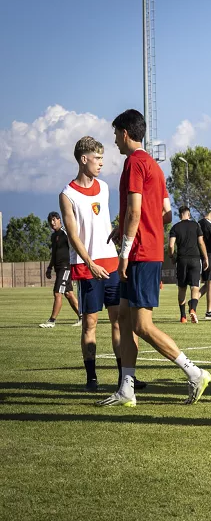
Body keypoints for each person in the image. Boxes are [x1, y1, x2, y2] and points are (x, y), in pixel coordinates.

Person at [98, 109, 211, 407]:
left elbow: (136, 210)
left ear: (124, 133)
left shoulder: (134, 163)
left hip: (140, 255)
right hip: (145, 250)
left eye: (115, 135)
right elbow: (165, 211)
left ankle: (194, 372)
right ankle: (127, 389)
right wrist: (122, 228)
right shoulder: (153, 166)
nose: (114, 141)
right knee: (123, 319)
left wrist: (125, 250)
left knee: (142, 325)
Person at [59, 136, 122, 390]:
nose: (101, 164)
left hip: (112, 263)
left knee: (119, 321)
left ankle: (123, 377)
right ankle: (91, 378)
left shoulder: (105, 188)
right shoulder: (67, 194)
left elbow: (103, 222)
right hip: (87, 267)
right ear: (83, 159)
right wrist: (90, 262)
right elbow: (73, 235)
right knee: (90, 323)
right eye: (97, 159)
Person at [39, 211, 81, 327]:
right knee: (68, 294)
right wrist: (49, 267)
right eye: (50, 221)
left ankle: (51, 321)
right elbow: (54, 253)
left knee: (58, 293)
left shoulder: (66, 233)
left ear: (59, 220)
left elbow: (76, 246)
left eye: (54, 220)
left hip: (66, 267)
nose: (52, 223)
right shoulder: (53, 236)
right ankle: (82, 317)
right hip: (58, 269)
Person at [168, 206, 208, 323]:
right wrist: (205, 258)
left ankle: (183, 316)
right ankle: (193, 310)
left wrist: (172, 256)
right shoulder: (196, 225)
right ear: (189, 214)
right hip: (195, 259)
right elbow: (201, 242)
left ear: (179, 215)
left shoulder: (175, 227)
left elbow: (171, 246)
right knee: (195, 287)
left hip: (181, 260)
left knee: (182, 288)